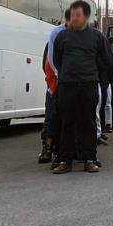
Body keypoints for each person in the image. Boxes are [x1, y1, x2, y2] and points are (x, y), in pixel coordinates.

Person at [52, 0, 112, 174]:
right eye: (72, 15)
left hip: (89, 85)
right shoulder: (62, 36)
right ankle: (65, 160)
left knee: (88, 122)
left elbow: (107, 60)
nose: (74, 18)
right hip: (67, 85)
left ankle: (89, 159)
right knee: (67, 123)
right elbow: (57, 60)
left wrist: (93, 72)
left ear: (86, 16)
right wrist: (66, 74)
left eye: (78, 15)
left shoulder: (97, 36)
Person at [39, 9, 71, 165]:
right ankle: (47, 148)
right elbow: (47, 64)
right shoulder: (53, 39)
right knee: (51, 118)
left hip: (67, 85)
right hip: (54, 85)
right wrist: (53, 84)